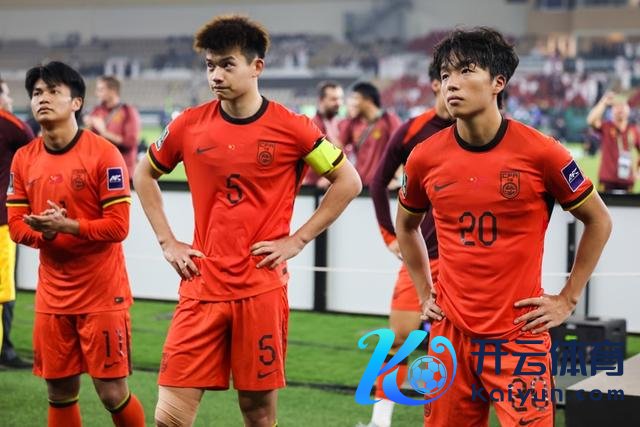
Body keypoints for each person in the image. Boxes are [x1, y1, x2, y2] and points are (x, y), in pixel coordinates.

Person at [133, 15, 361, 427]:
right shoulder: (187, 124)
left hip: (260, 290)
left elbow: (349, 182)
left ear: (257, 66)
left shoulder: (294, 128)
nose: (216, 75)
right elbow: (143, 174)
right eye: (210, 65)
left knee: (257, 414)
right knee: (169, 417)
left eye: (227, 64)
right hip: (201, 286)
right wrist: (168, 241)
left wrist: (297, 240)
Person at [396, 28, 612, 427]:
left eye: (465, 71)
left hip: (519, 336)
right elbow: (406, 227)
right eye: (445, 74)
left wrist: (567, 299)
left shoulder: (543, 152)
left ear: (499, 82)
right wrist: (425, 291)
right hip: (450, 335)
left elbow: (598, 220)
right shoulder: (424, 158)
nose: (451, 83)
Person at [6, 62, 145, 427]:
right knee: (59, 392)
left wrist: (68, 226)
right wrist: (46, 234)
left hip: (102, 295)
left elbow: (119, 226)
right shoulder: (24, 159)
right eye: (37, 93)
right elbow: (16, 226)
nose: (43, 98)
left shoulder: (104, 154)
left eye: (53, 91)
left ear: (77, 102)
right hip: (53, 298)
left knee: (112, 393)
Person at [362, 61, 454, 427]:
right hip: (422, 257)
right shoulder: (413, 130)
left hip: (466, 261)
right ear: (435, 84)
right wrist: (390, 235)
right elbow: (376, 182)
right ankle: (379, 421)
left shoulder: (481, 130)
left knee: (461, 349)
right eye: (447, 77)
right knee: (399, 339)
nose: (455, 84)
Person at [0, 75, 35, 369]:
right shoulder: (10, 124)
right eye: (5, 93)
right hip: (2, 222)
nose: (9, 99)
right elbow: (35, 146)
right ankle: (5, 351)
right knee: (3, 291)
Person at [340, 81, 401, 186]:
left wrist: (396, 178)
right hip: (360, 185)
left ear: (368, 100)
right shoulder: (352, 123)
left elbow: (401, 150)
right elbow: (338, 148)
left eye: (356, 98)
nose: (352, 103)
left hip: (383, 186)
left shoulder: (389, 120)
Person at [84, 75, 141, 178]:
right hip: (99, 170)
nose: (97, 93)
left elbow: (130, 142)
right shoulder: (96, 111)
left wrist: (104, 132)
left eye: (101, 89)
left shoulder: (128, 111)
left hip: (122, 171)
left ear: (113, 91)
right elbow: (88, 142)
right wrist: (88, 126)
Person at [586, 91, 640, 193]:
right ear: (612, 111)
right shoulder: (606, 126)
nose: (620, 109)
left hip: (628, 181)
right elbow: (591, 120)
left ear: (628, 109)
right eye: (617, 107)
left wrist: (638, 171)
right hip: (607, 180)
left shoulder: (633, 130)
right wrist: (603, 102)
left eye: (623, 106)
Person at [302, 80, 344, 187]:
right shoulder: (311, 125)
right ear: (321, 100)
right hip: (313, 187)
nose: (338, 103)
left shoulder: (341, 124)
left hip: (334, 185)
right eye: (333, 99)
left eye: (340, 98)